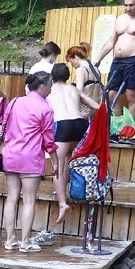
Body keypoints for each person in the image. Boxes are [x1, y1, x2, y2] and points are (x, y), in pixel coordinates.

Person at [0, 70, 56, 252]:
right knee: (29, 200)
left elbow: (4, 124)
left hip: (10, 154)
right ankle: (25, 242)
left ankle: (10, 240)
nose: (51, 89)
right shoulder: (45, 109)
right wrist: (55, 161)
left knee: (11, 197)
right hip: (30, 158)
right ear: (42, 87)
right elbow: (48, 140)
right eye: (50, 86)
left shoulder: (15, 101)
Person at [92, 0, 135, 133]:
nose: (128, 8)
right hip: (118, 61)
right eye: (126, 5)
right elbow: (111, 40)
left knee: (131, 95)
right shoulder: (120, 19)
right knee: (111, 94)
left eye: (131, 5)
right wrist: (99, 58)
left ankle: (130, 129)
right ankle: (116, 125)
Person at [48, 60, 99, 227]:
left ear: (52, 77)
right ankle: (65, 189)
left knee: (58, 164)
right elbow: (96, 106)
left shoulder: (50, 90)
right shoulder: (74, 89)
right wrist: (86, 116)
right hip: (79, 124)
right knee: (70, 157)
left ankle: (62, 203)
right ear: (68, 76)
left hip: (63, 124)